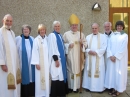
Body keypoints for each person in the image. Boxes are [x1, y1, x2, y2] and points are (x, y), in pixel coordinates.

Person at [63, 14, 87, 92]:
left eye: (75, 25)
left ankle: (77, 87)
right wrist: (68, 45)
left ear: (77, 26)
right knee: (70, 70)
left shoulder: (81, 34)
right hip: (70, 56)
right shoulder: (66, 34)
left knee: (78, 70)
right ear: (70, 26)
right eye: (73, 25)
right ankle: (70, 87)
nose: (74, 27)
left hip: (78, 56)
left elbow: (86, 44)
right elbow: (63, 44)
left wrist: (82, 43)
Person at [105, 21, 128, 96]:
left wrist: (116, 56)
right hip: (111, 58)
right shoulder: (112, 35)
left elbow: (123, 48)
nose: (119, 27)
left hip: (119, 59)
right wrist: (110, 55)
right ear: (116, 26)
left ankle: (119, 90)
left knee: (119, 74)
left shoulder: (124, 35)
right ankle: (113, 88)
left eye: (121, 26)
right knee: (112, 74)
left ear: (123, 27)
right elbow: (108, 45)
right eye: (118, 26)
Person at [0, 14, 21, 97]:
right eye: (7, 21)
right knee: (5, 83)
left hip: (13, 62)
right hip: (6, 63)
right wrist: (2, 63)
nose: (9, 23)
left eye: (10, 21)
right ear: (3, 21)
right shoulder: (0, 32)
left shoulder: (12, 32)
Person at [82, 23, 107, 92]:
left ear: (98, 28)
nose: (94, 29)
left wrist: (96, 52)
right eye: (93, 28)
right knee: (89, 72)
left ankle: (99, 88)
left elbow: (104, 47)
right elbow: (85, 47)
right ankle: (88, 86)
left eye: (95, 28)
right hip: (90, 58)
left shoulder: (103, 37)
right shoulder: (88, 37)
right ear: (91, 29)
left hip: (98, 58)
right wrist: (89, 50)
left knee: (99, 72)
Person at [48, 21, 68, 97]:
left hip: (61, 59)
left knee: (60, 76)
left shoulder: (60, 35)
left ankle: (60, 93)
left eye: (58, 26)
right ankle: (54, 94)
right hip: (55, 60)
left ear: (60, 27)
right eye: (55, 26)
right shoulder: (52, 35)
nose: (57, 28)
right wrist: (56, 60)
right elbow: (52, 48)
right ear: (53, 27)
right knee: (56, 76)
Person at [15, 25, 35, 97]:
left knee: (31, 77)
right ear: (22, 31)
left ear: (29, 31)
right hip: (22, 63)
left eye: (27, 29)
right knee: (24, 77)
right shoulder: (18, 39)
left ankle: (31, 93)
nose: (26, 31)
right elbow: (15, 51)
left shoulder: (32, 39)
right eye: (24, 29)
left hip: (31, 63)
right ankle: (24, 94)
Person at [31, 24, 50, 97]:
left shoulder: (47, 39)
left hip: (47, 63)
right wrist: (36, 63)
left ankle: (46, 94)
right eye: (41, 30)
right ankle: (39, 94)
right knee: (39, 79)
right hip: (39, 64)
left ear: (45, 30)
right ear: (39, 31)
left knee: (47, 79)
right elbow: (34, 51)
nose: (42, 31)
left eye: (43, 29)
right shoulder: (36, 40)